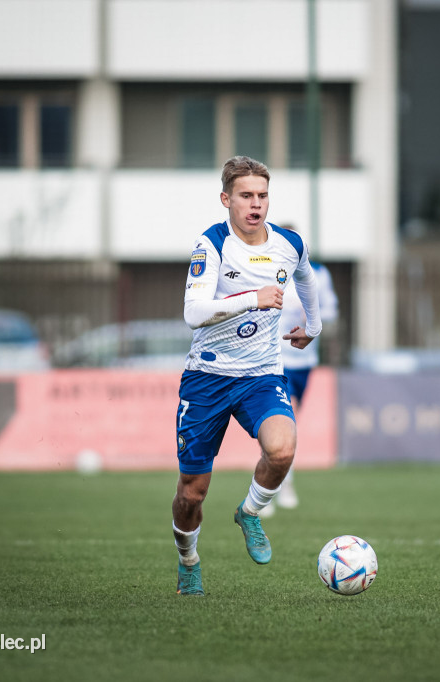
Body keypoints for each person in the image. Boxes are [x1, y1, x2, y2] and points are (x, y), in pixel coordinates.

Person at [171, 155, 322, 596]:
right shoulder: (212, 244)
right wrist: (252, 298)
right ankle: (188, 559)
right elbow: (193, 313)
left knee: (282, 450)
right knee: (192, 494)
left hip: (261, 374)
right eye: (245, 196)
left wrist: (313, 326)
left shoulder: (289, 243)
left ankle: (251, 512)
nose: (256, 205)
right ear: (226, 199)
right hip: (207, 378)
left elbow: (306, 277)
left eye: (262, 195)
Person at [259, 249, 339, 516]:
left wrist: (312, 317)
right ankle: (277, 487)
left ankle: (274, 483)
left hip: (303, 361)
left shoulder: (316, 273)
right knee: (282, 422)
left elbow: (330, 309)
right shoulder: (265, 270)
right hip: (274, 360)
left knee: (288, 426)